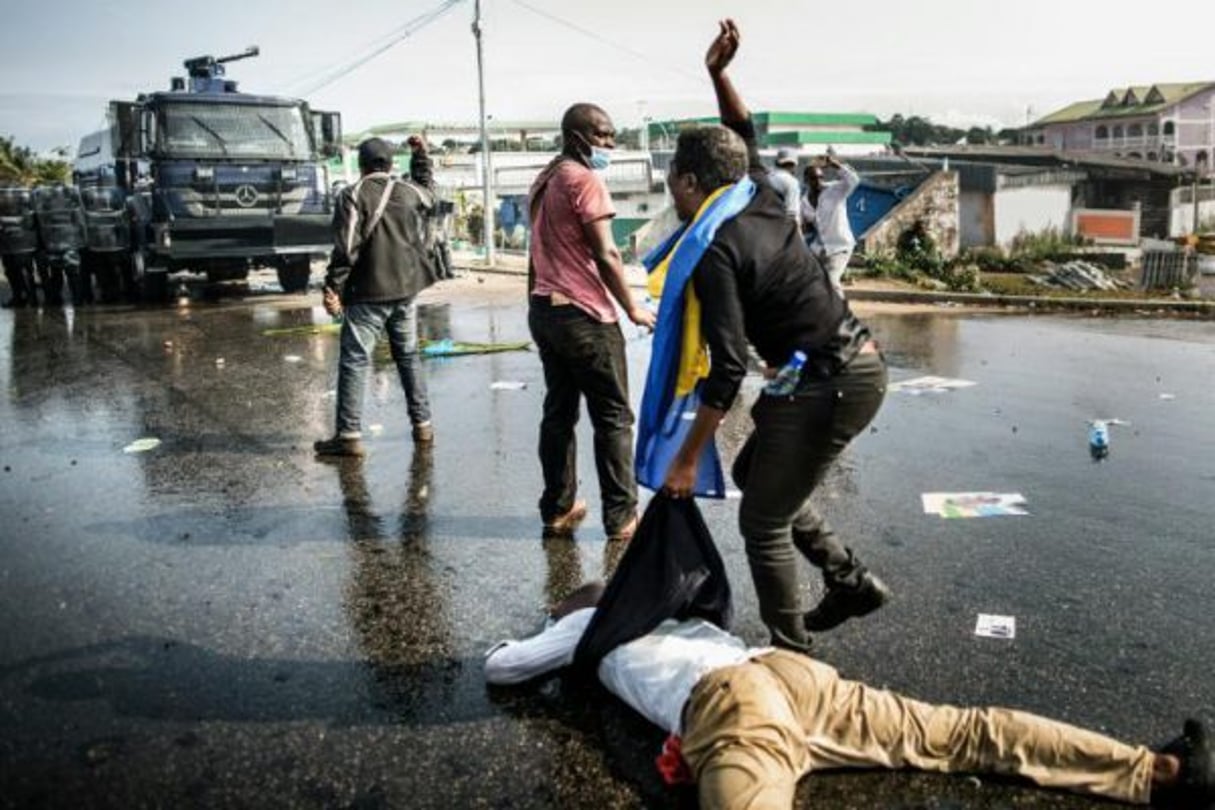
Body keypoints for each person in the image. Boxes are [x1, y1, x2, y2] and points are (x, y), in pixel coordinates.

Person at [485, 581, 1215, 810]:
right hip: (788, 675)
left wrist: (535, 636)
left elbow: (504, 670)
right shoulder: (670, 605)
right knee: (964, 733)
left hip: (734, 706)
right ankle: (1155, 772)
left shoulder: (584, 622)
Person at [659, 19, 888, 653]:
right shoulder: (751, 192)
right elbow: (742, 131)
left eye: (674, 179)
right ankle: (849, 581)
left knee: (762, 520)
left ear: (689, 184)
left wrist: (683, 460)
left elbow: (727, 370)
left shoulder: (714, 246)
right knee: (754, 466)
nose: (671, 191)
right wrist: (717, 74)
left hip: (832, 379)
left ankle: (792, 660)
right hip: (844, 366)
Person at [527, 102, 656, 542]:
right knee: (615, 417)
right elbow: (606, 254)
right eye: (602, 135)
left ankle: (557, 509)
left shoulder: (546, 179)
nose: (610, 144)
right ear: (577, 136)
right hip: (585, 316)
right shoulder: (585, 179)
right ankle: (622, 519)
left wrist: (536, 305)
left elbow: (537, 251)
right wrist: (635, 308)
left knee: (559, 412)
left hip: (546, 311)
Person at [314, 137, 439, 458]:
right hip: (406, 290)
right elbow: (431, 193)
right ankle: (423, 426)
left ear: (361, 165)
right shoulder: (410, 191)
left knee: (356, 360)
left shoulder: (353, 195)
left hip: (369, 291)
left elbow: (346, 248)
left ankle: (349, 436)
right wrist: (421, 155)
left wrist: (333, 288)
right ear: (390, 164)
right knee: (408, 357)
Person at [802, 151, 861, 296]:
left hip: (840, 247)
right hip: (819, 249)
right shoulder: (803, 203)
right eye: (814, 178)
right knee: (807, 280)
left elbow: (854, 180)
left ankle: (841, 314)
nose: (819, 181)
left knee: (832, 281)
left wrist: (835, 164)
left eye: (821, 177)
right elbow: (804, 226)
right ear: (806, 180)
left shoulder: (834, 190)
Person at [769, 147, 803, 227]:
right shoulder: (791, 182)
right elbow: (792, 215)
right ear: (794, 165)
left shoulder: (766, 177)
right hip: (781, 229)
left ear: (776, 163)